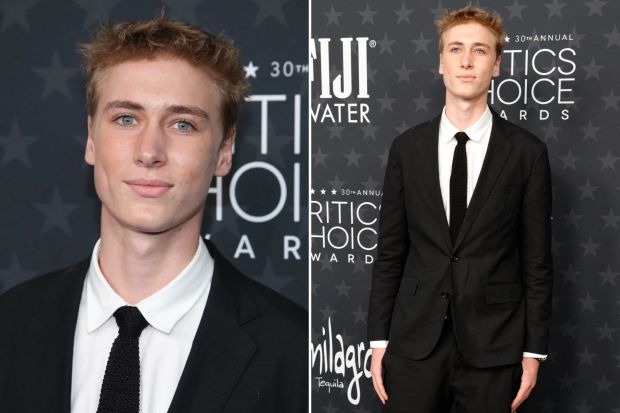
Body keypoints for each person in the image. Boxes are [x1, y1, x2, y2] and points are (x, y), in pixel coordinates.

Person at [0, 16, 307, 413]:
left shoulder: (295, 351)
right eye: (126, 119)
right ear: (91, 138)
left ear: (225, 151)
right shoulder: (10, 326)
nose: (149, 151)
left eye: (183, 124)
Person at [367, 6, 553, 413]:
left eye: (480, 51)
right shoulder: (406, 148)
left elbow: (537, 260)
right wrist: (379, 341)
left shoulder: (527, 153)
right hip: (414, 343)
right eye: (456, 49)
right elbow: (390, 251)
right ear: (441, 62)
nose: (467, 60)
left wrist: (533, 351)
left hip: (495, 346)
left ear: (497, 64)